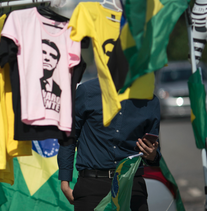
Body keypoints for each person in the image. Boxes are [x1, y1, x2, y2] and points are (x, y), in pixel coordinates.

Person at [57, 78, 160, 211]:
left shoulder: (150, 100)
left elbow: (155, 154)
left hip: (131, 186)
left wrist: (152, 155)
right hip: (92, 186)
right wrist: (65, 182)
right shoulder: (87, 91)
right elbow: (69, 137)